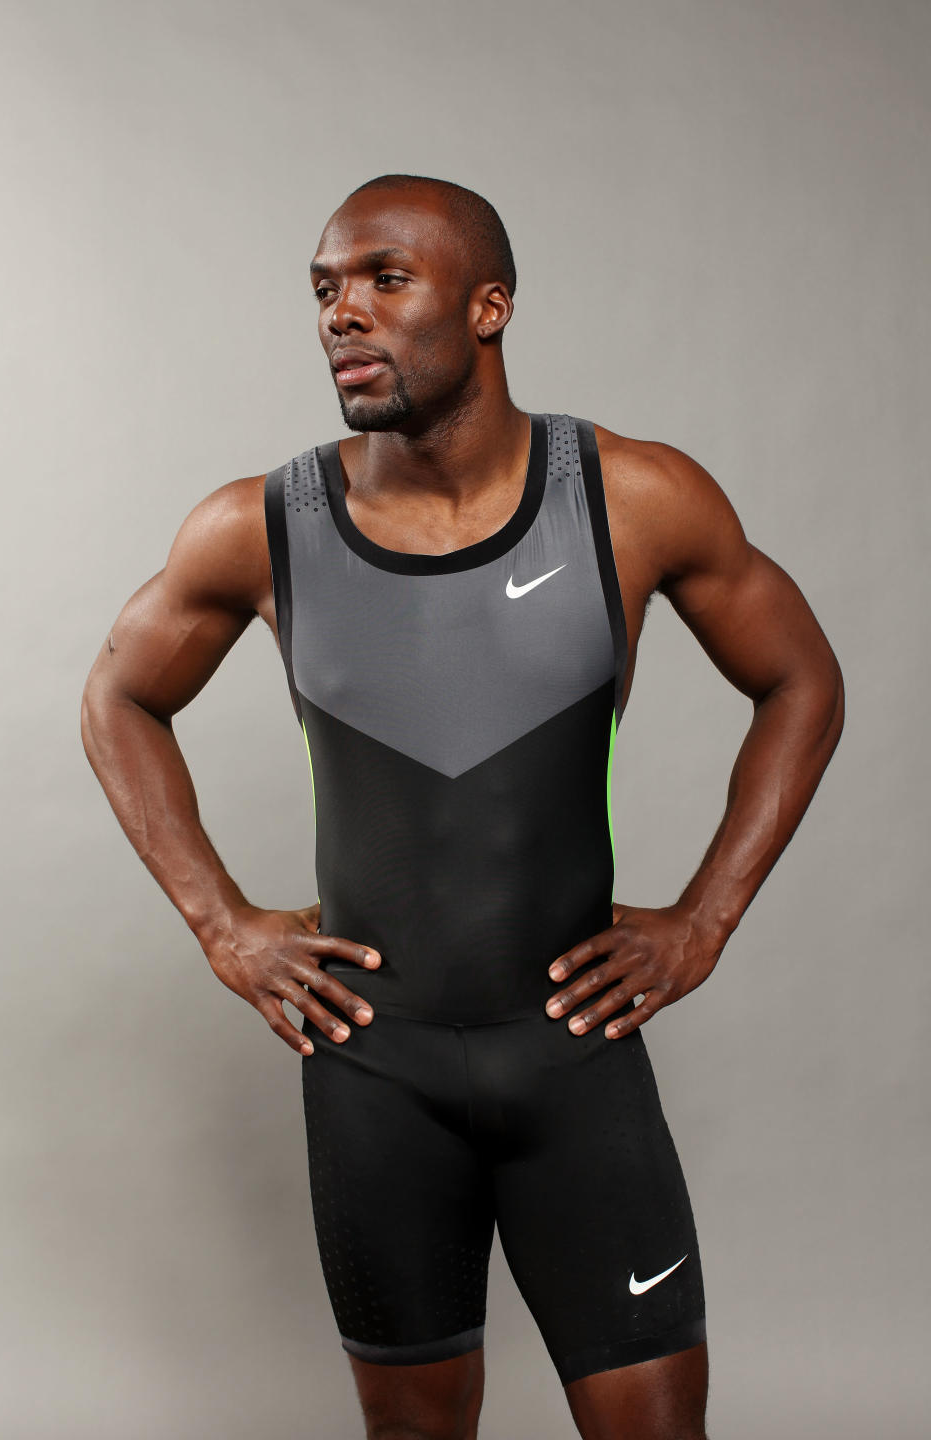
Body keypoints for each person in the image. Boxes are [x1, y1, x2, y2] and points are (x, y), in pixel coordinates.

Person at [81, 172, 844, 1440]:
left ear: (489, 307)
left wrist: (704, 920)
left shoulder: (632, 496)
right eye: (326, 289)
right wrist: (222, 924)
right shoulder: (262, 526)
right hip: (372, 1075)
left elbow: (799, 678)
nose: (343, 313)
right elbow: (118, 699)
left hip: (575, 1062)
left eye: (387, 279)